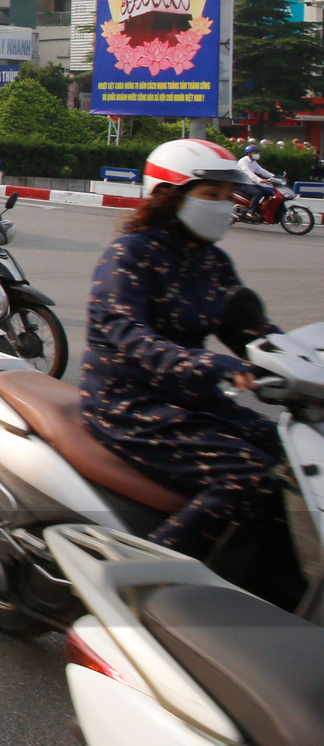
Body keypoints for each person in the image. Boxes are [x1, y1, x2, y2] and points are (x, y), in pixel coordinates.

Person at [82, 139, 285, 568]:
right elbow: (126, 332)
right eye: (209, 195)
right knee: (248, 476)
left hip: (194, 401)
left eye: (228, 195)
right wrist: (207, 364)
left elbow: (253, 333)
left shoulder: (212, 261)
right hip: (130, 404)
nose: (223, 205)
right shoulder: (130, 254)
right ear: (167, 196)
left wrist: (300, 363)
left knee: (293, 456)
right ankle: (146, 582)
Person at [234, 144, 274, 214]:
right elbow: (248, 173)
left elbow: (262, 171)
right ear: (249, 153)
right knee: (257, 193)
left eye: (257, 152)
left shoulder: (253, 162)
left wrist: (273, 177)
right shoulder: (243, 161)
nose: (257, 154)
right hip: (241, 183)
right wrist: (259, 180)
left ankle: (261, 209)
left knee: (269, 193)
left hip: (250, 183)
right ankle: (250, 212)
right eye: (255, 152)